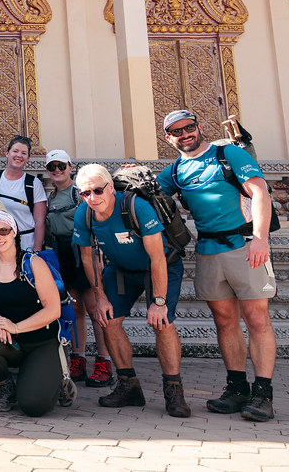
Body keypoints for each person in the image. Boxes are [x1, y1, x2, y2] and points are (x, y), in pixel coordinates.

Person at [158, 110, 276, 422]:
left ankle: (263, 394)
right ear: (169, 138)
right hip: (208, 249)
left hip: (246, 245)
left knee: (257, 319)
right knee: (224, 321)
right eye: (177, 131)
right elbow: (149, 194)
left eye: (189, 127)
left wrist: (260, 238)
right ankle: (237, 388)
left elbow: (260, 191)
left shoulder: (229, 154)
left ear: (198, 127)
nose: (185, 134)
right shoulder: (174, 171)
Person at [74, 163, 190, 418]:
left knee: (163, 323)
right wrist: (100, 297)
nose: (92, 198)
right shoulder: (84, 214)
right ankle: (128, 386)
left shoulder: (136, 206)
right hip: (121, 268)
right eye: (85, 193)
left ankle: (174, 389)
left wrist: (159, 301)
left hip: (160, 266)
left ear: (111, 188)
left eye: (97, 190)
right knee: (108, 320)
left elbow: (158, 257)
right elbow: (88, 258)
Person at [0, 211, 64, 417]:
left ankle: (55, 378)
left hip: (42, 342)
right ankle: (4, 385)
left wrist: (15, 327)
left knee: (33, 406)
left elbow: (53, 310)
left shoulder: (33, 264)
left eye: (4, 230)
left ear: (14, 232)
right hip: (12, 344)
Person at [43, 149, 111, 388]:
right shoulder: (50, 197)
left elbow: (96, 219)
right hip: (62, 254)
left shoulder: (80, 192)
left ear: (70, 167)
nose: (57, 171)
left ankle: (104, 361)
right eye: (52, 167)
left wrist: (99, 252)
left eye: (62, 165)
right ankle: (78, 358)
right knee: (75, 309)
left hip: (84, 250)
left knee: (95, 308)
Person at [0, 135, 47, 252]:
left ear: (28, 158)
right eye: (15, 151)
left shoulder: (33, 183)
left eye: (24, 153)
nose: (19, 156)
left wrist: (36, 251)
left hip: (26, 245)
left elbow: (40, 221)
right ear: (7, 153)